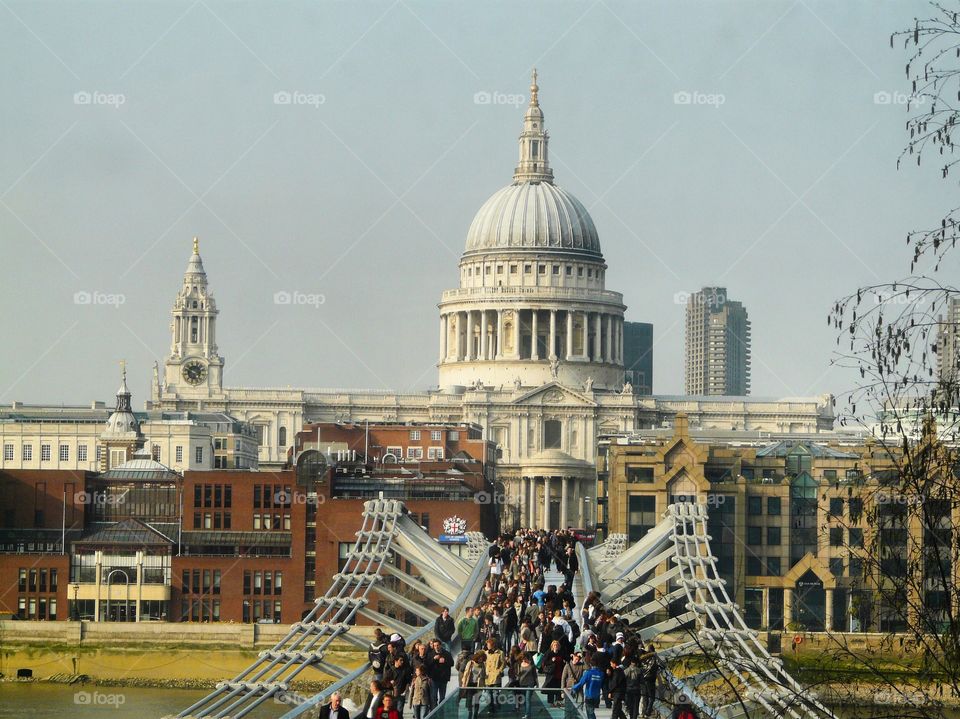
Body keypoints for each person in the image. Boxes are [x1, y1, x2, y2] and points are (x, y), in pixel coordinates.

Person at [460, 651, 487, 719]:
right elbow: (466, 673)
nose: (481, 659)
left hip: (478, 685)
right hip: (470, 684)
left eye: (482, 658)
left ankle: (475, 715)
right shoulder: (471, 663)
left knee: (477, 701)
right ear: (477, 657)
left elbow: (484, 676)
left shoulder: (483, 665)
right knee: (469, 700)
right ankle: (470, 713)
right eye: (480, 658)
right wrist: (463, 683)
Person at [428, 638, 454, 706]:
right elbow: (427, 664)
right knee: (434, 697)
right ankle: (434, 712)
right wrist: (434, 659)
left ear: (440, 645)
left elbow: (452, 663)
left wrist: (445, 661)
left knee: (442, 698)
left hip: (443, 679)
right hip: (434, 678)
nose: (436, 647)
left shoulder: (446, 653)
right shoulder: (431, 654)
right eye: (435, 646)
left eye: (437, 645)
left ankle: (441, 712)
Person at [483, 637, 505, 714]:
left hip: (496, 676)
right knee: (488, 694)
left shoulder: (500, 653)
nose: (487, 646)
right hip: (487, 676)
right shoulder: (485, 653)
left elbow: (503, 663)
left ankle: (496, 705)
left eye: (488, 644)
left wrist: (499, 671)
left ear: (493, 645)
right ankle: (490, 708)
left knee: (495, 693)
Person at [639, 644, 661, 719]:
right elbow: (656, 667)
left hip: (643, 679)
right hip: (650, 679)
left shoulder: (643, 658)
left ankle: (643, 712)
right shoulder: (654, 659)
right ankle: (648, 712)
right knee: (652, 697)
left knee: (645, 696)